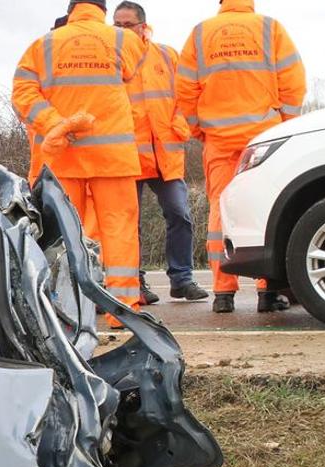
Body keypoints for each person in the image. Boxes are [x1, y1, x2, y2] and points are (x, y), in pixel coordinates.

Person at [14, 0, 147, 319]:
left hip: (64, 155)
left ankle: (64, 310)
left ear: (72, 9)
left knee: (62, 233)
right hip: (112, 155)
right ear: (103, 9)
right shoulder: (122, 39)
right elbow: (136, 61)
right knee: (119, 229)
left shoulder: (43, 44)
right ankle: (123, 309)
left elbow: (22, 94)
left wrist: (54, 123)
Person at [178, 0, 306, 314]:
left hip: (219, 140)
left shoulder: (200, 34)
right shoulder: (269, 28)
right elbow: (293, 82)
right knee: (263, 207)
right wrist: (286, 125)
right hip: (264, 138)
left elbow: (184, 91)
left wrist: (200, 129)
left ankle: (223, 293)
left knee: (220, 212)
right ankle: (266, 292)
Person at [114, 1, 210, 304]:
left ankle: (182, 280)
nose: (120, 30)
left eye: (126, 24)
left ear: (143, 26)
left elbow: (187, 93)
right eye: (116, 25)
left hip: (165, 154)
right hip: (126, 156)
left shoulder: (167, 55)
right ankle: (136, 282)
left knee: (180, 214)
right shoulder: (110, 58)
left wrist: (180, 124)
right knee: (129, 225)